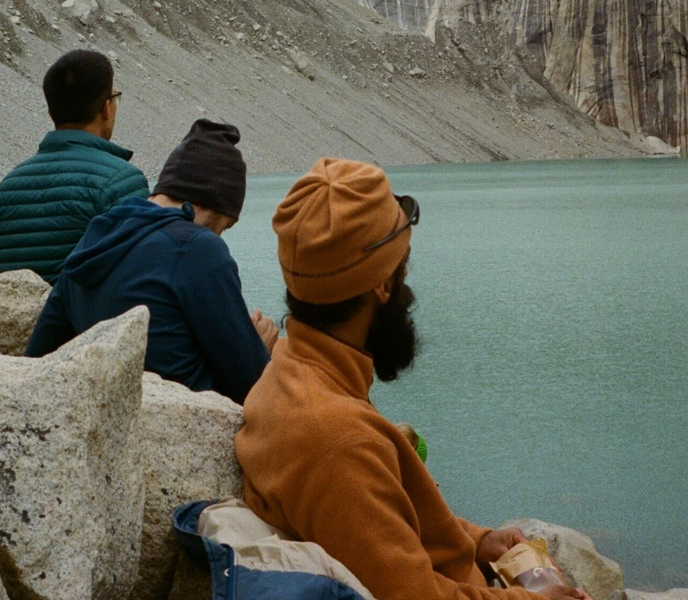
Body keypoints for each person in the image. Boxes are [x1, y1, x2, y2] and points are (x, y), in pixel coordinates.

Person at [235, 158, 589, 600]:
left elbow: (377, 523)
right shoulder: (337, 438)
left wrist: (477, 541)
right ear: (381, 286)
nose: (407, 293)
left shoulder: (294, 368)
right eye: (402, 268)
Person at [25, 119, 276, 405]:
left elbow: (36, 359)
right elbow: (254, 387)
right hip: (185, 428)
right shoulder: (197, 248)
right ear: (209, 204)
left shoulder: (95, 240)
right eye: (224, 225)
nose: (220, 236)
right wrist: (260, 347)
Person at [0, 49, 149, 285]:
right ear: (106, 108)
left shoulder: (7, 188)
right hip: (90, 323)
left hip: (18, 322)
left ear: (50, 111)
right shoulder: (122, 182)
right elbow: (140, 278)